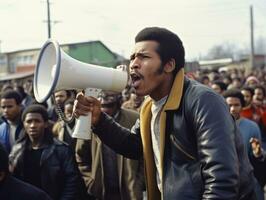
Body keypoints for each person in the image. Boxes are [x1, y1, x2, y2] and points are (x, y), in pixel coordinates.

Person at [73, 27, 256, 199]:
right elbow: (136, 146)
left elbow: (221, 178)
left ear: (168, 65)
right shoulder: (149, 106)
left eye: (143, 57)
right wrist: (99, 120)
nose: (133, 65)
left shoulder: (203, 101)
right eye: (132, 57)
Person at [9, 104, 88, 200]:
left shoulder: (61, 150)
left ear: (46, 123)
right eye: (29, 122)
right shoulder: (17, 150)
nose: (33, 125)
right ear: (24, 124)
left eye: (37, 121)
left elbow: (72, 181)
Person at [75, 90, 144, 200]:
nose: (105, 109)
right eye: (102, 105)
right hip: (101, 192)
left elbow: (144, 154)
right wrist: (91, 180)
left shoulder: (134, 118)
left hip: (130, 192)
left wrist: (139, 182)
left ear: (118, 102)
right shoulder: (89, 121)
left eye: (110, 105)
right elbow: (81, 155)